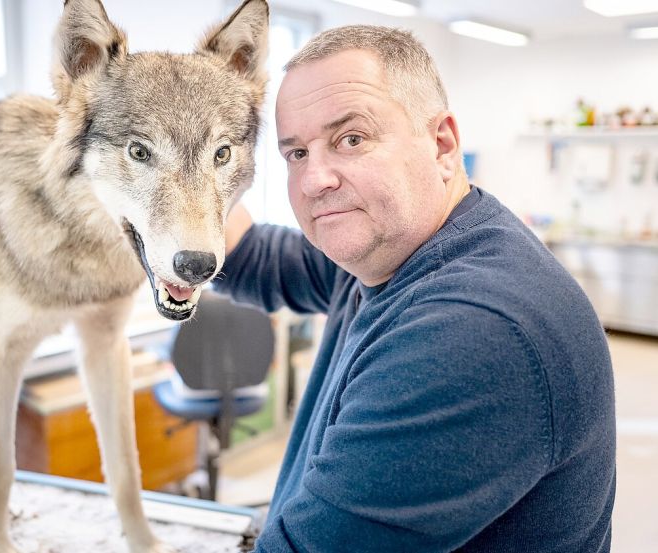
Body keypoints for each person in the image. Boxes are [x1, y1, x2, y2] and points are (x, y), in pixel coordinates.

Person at [216, 25, 615, 552]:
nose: (316, 180)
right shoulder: (384, 251)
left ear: (442, 145)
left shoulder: (473, 331)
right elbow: (251, 256)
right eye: (296, 154)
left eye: (350, 139)